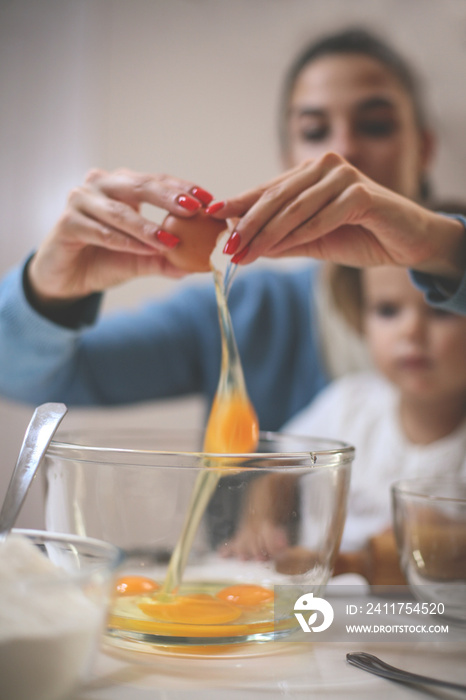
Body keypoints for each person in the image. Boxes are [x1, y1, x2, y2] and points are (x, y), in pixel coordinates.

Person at [1, 28, 466, 432]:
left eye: (376, 124)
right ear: (289, 159)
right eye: (315, 130)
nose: (342, 150)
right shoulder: (243, 314)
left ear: (423, 149)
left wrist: (447, 249)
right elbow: (22, 377)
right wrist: (48, 292)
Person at [223, 263, 466, 579]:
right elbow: (274, 473)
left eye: (440, 309)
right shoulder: (347, 404)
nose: (412, 331)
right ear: (360, 315)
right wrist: (260, 523)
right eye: (388, 310)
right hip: (319, 605)